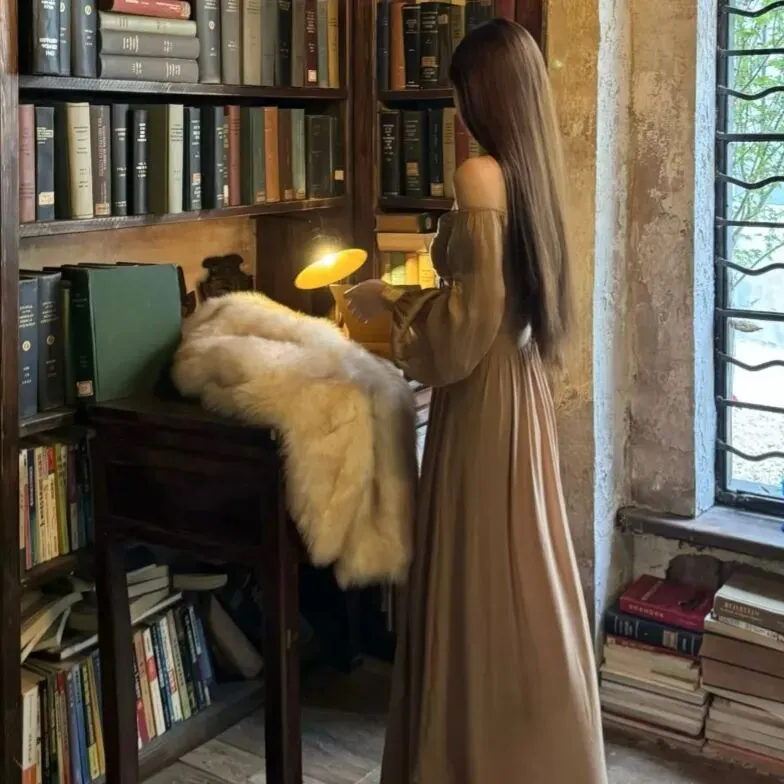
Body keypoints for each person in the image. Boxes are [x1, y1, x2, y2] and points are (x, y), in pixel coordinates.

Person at [344, 18, 607, 784]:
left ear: (479, 94)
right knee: (523, 577)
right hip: (518, 392)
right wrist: (398, 293)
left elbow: (466, 326)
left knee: (476, 579)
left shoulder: (479, 175)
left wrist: (391, 314)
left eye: (460, 89)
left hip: (481, 400)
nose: (455, 107)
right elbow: (490, 301)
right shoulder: (532, 172)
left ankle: (468, 760)